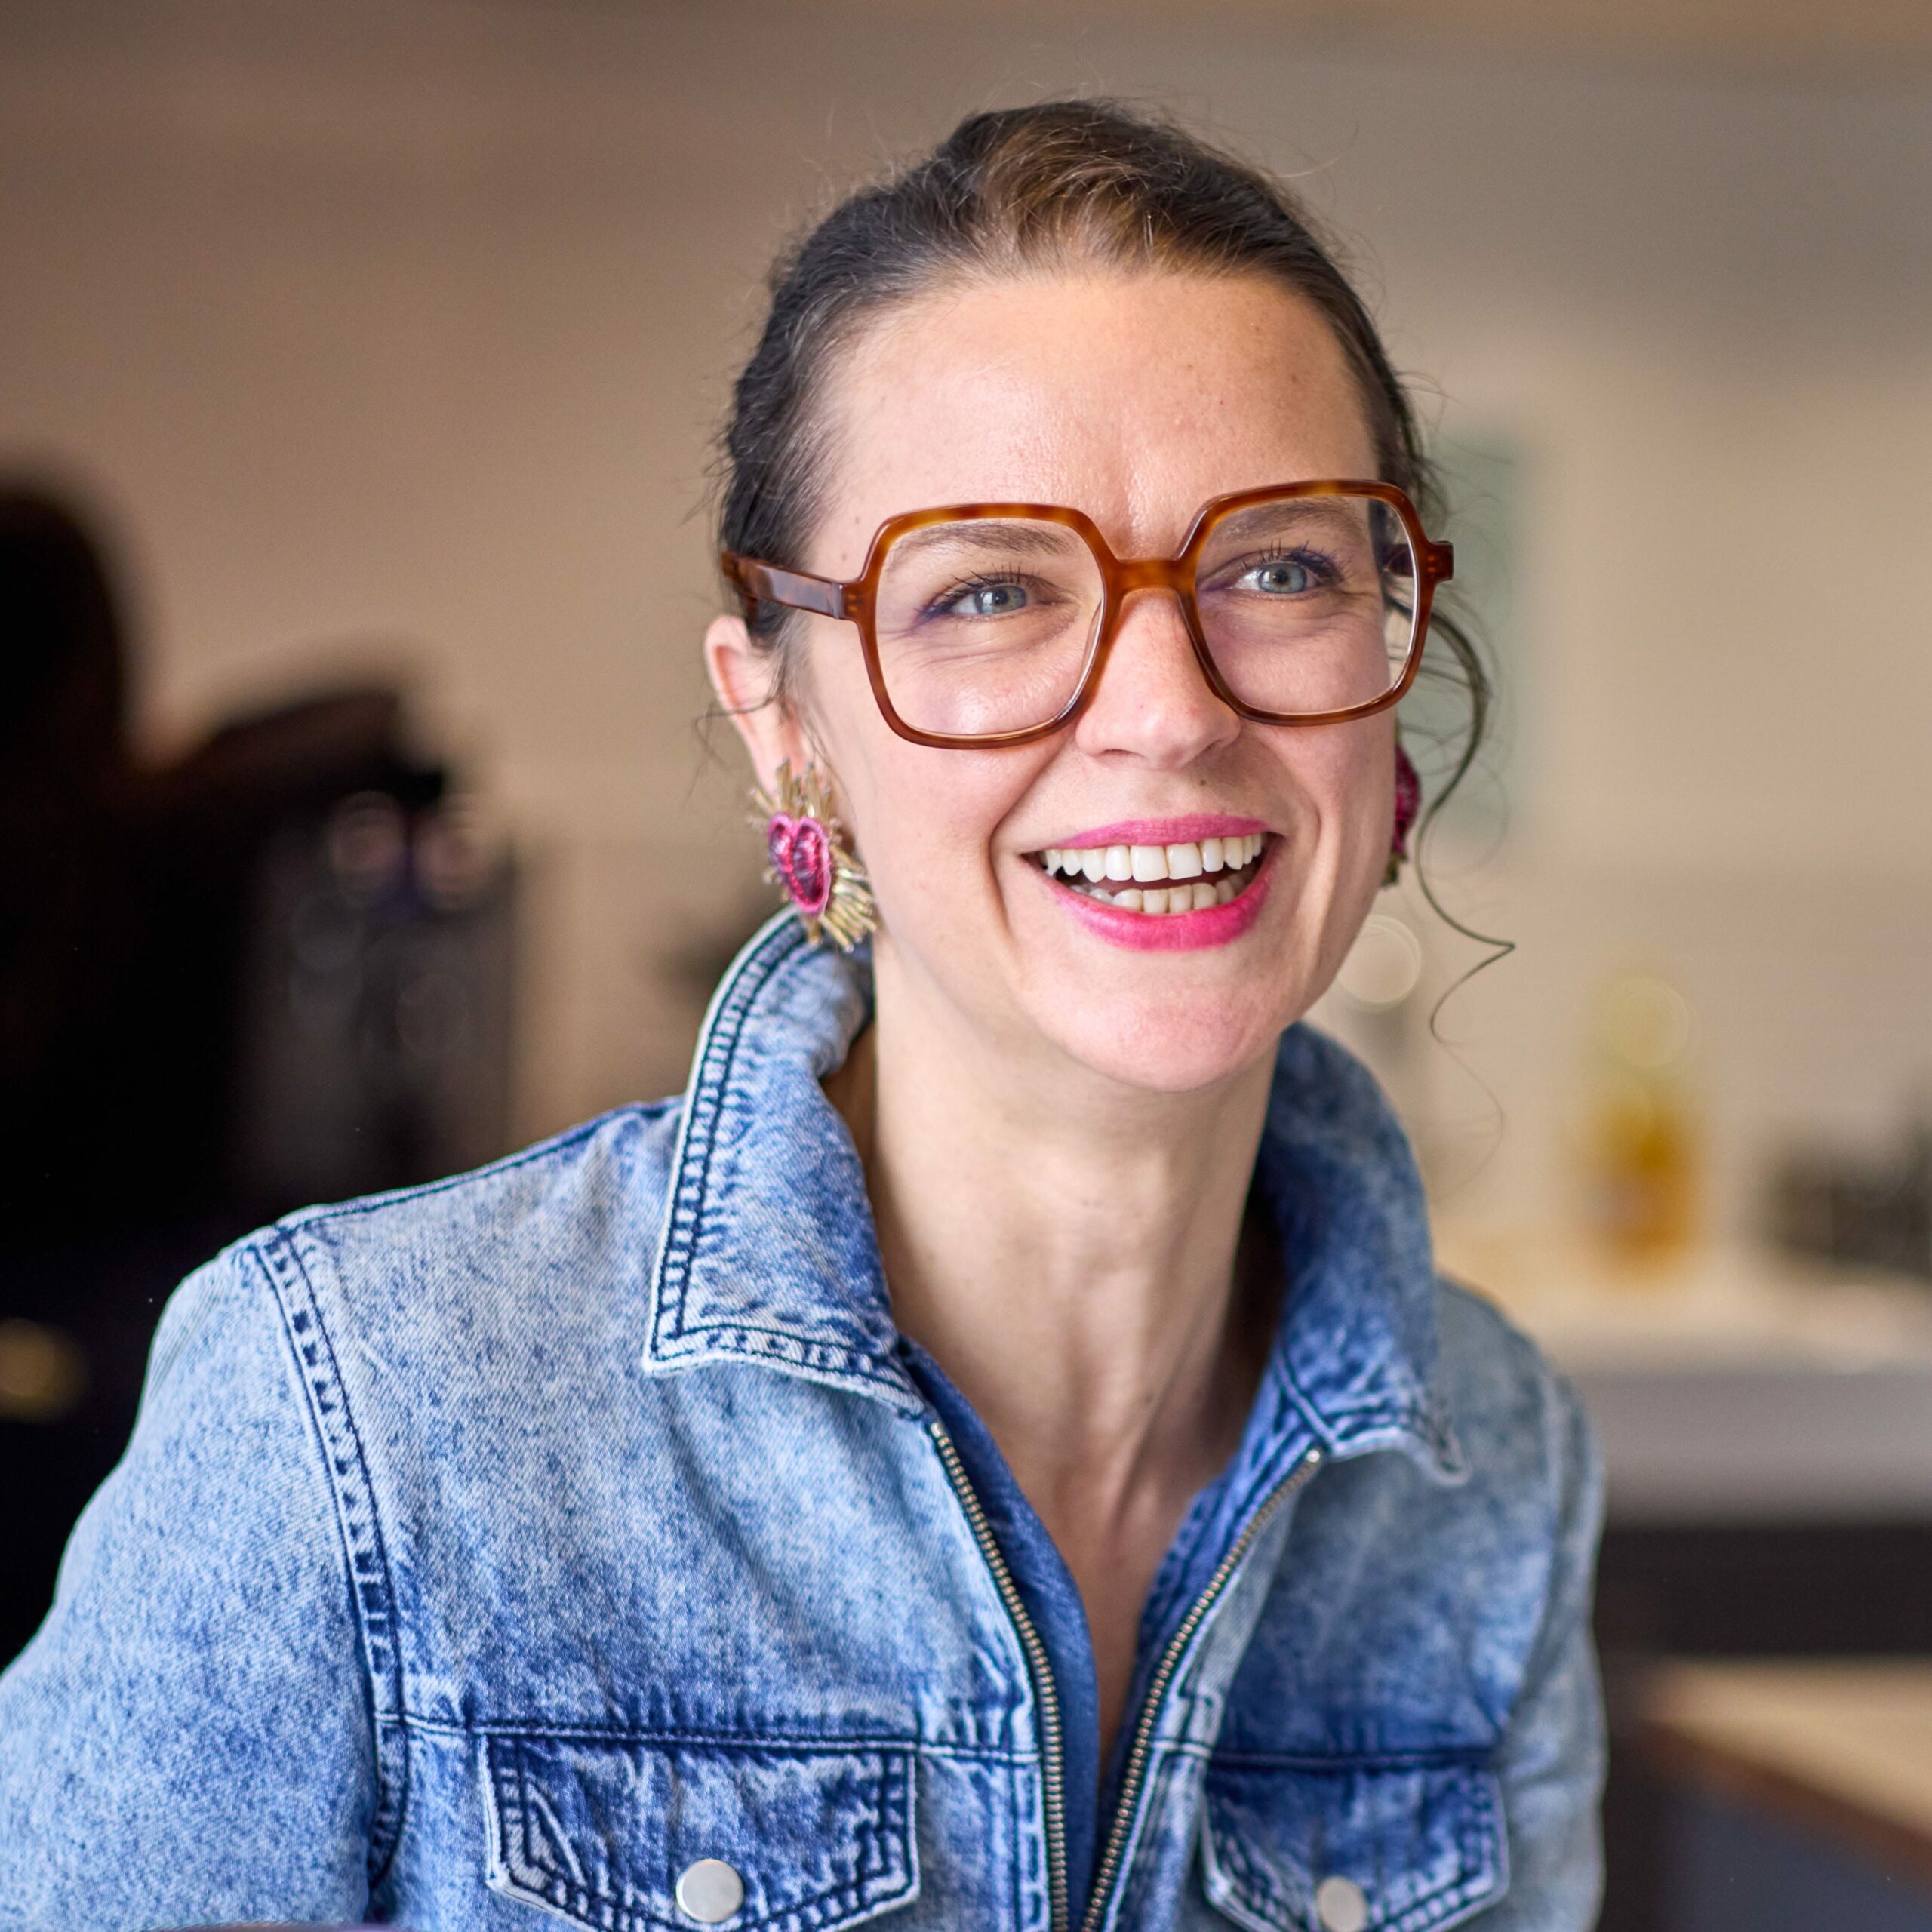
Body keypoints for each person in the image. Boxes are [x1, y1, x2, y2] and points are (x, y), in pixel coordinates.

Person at [0, 102, 1601, 1931]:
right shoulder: (351, 1413)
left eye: (1279, 568)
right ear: (782, 726)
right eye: (988, 590)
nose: (1166, 710)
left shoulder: (1492, 1464)